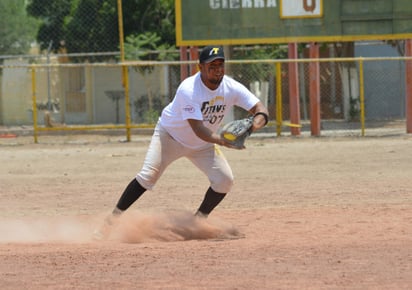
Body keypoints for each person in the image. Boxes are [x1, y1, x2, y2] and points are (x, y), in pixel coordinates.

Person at [93, 45, 269, 240]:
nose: (218, 69)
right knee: (147, 176)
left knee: (224, 180)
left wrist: (252, 127)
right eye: (212, 65)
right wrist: (224, 141)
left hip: (203, 144)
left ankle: (197, 222)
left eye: (221, 64)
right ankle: (110, 223)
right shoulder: (189, 89)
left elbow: (260, 109)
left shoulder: (231, 87)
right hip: (169, 137)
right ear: (201, 67)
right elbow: (198, 129)